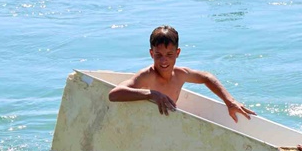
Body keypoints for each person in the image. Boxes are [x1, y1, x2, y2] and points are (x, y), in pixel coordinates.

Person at [108, 25, 256, 122]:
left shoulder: (180, 75)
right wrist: (152, 94)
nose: (164, 60)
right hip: (146, 123)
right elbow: (114, 94)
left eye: (169, 54)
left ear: (177, 53)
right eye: (158, 54)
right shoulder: (147, 76)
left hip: (168, 124)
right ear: (151, 53)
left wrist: (229, 102)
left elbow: (207, 77)